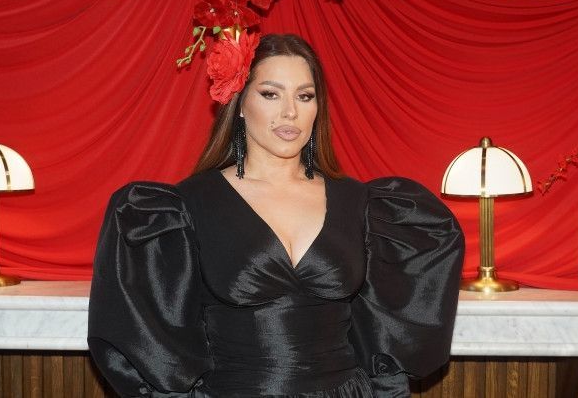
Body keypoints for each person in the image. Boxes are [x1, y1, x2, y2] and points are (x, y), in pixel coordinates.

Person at [88, 33, 465, 397]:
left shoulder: (361, 203)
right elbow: (157, 347)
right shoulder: (186, 206)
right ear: (239, 102)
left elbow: (386, 337)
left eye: (305, 96)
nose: (290, 112)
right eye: (271, 94)